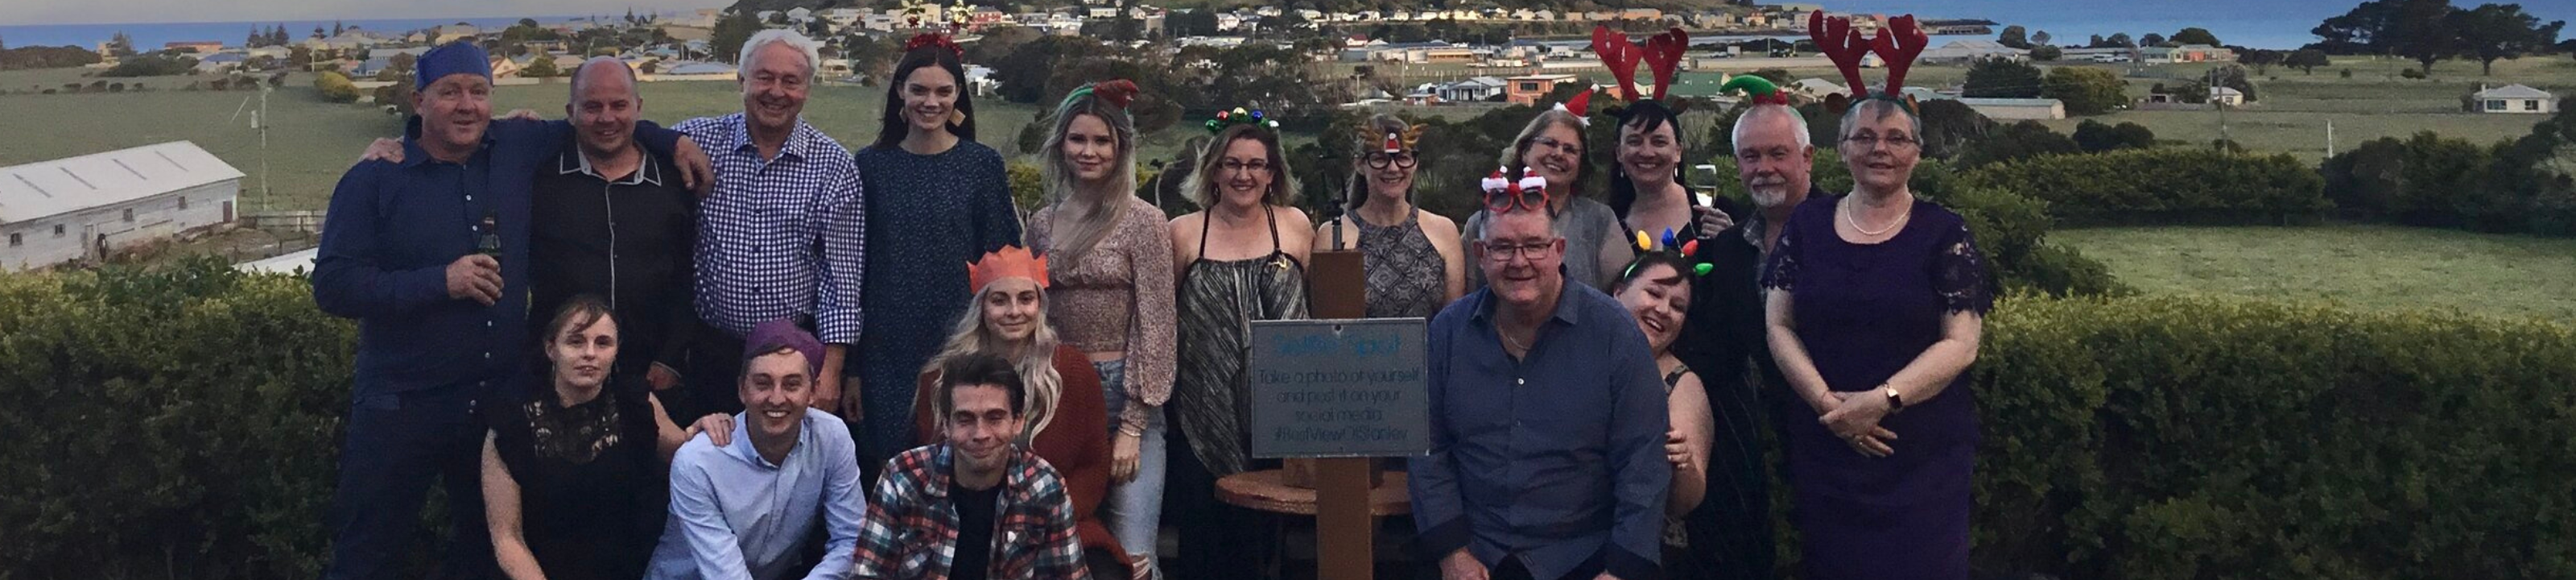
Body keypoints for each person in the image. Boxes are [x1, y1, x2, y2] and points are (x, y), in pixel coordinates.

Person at [312, 40, 708, 580]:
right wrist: (440, 282)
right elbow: (333, 286)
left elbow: (600, 119)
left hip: (492, 401)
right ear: (418, 101)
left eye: (478, 92)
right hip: (401, 404)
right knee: (369, 551)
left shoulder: (516, 146)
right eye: (449, 93)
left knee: (488, 549)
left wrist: (673, 140)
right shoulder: (375, 178)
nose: (466, 105)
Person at [1764, 14, 1992, 576]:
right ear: (1841, 149)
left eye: (1896, 138)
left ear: (1917, 152)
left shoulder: (1944, 232)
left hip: (1921, 458)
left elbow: (1961, 343)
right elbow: (1779, 324)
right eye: (1863, 137)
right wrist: (1829, 406)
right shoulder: (1807, 225)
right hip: (1827, 448)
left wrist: (1881, 401)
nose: (1879, 149)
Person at [1411, 188, 1668, 580]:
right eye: (1502, 248)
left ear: (1559, 250)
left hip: (1585, 555)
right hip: (1476, 554)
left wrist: (1620, 569)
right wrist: (1451, 552)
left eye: (1534, 245)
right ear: (1480, 254)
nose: (1519, 262)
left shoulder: (1614, 333)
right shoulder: (1447, 333)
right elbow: (1427, 447)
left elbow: (1643, 461)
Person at [671, 29, 866, 425]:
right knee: (715, 450)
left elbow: (841, 278)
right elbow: (624, 132)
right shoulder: (698, 141)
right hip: (713, 352)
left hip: (796, 356)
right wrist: (666, 141)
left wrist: (830, 370)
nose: (776, 92)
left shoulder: (834, 166)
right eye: (764, 77)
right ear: (741, 80)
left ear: (807, 90)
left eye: (791, 81)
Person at [1022, 79, 1174, 580]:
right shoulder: (1042, 224)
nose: (1089, 151)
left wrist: (1133, 424)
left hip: (1123, 392)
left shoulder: (1144, 221)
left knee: (1133, 554)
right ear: (1061, 145)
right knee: (1058, 544)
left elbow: (1157, 323)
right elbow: (1033, 313)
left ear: (1120, 148)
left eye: (1101, 141)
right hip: (1057, 392)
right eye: (1078, 139)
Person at [850, 33, 1022, 470]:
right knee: (889, 462)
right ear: (900, 92)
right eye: (920, 90)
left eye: (943, 91)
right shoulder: (870, 166)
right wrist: (851, 367)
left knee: (960, 457)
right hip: (884, 347)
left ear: (958, 94)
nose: (931, 102)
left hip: (960, 342)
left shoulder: (982, 165)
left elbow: (1002, 262)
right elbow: (853, 268)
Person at [904, 246, 1128, 578]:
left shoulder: (1074, 371)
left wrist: (1048, 515)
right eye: (999, 301)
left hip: (1058, 519)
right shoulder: (941, 379)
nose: (1014, 311)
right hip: (966, 520)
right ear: (981, 307)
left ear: (1040, 305)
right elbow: (934, 462)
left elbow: (1093, 464)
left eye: (1026, 299)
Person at [1671, 80, 1818, 580]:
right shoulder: (1733, 249)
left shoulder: (1844, 227)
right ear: (1737, 165)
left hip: (1859, 428)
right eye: (1751, 157)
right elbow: (1717, 351)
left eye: (1778, 154)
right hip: (1783, 444)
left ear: (1808, 158)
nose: (1764, 167)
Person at [482, 296, 733, 580]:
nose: (589, 353)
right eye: (576, 342)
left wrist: (707, 427)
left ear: (616, 350)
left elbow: (688, 457)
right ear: (551, 349)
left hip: (632, 568)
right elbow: (507, 538)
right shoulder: (512, 422)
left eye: (603, 343)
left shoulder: (636, 405)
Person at [1164, 110, 1311, 579]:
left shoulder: (1295, 226)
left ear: (1272, 174)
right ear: (1213, 171)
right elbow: (1167, 322)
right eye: (1232, 164)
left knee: (1273, 546)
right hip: (1203, 414)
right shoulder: (1184, 232)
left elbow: (1322, 311)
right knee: (1207, 544)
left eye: (1255, 165)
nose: (1243, 175)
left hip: (1284, 414)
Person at [525, 58, 702, 420]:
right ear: (570, 113)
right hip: (559, 378)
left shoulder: (674, 181)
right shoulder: (538, 179)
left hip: (652, 376)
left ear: (638, 108)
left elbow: (689, 275)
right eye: (592, 107)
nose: (607, 118)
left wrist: (671, 358)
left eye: (619, 105)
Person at [646, 319, 867, 580]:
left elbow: (852, 538)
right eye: (763, 383)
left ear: (813, 392)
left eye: (792, 384)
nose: (776, 398)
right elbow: (726, 575)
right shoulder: (699, 461)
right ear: (742, 389)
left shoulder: (831, 437)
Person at [856, 354, 1094, 580]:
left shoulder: (1045, 487)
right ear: (946, 425)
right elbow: (867, 573)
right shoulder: (903, 477)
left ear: (1018, 422)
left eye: (995, 418)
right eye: (965, 419)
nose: (980, 434)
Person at [1608, 251, 1715, 578]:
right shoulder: (1575, 352)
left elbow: (1686, 502)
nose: (1664, 309)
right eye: (1654, 293)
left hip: (1646, 549)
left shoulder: (1683, 384)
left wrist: (1684, 464)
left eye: (1678, 306)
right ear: (1618, 292)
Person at [1311, 114, 1464, 318]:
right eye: (1380, 159)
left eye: (1403, 158)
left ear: (1415, 163)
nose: (1393, 168)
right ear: (1360, 164)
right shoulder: (1334, 235)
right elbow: (1328, 324)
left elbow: (1453, 322)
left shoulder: (1444, 232)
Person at [1460, 106, 1629, 292]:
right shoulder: (1481, 223)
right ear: (1525, 151)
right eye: (1550, 143)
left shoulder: (1599, 220)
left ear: (1581, 165)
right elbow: (1468, 295)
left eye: (1570, 150)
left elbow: (1626, 289)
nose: (1559, 154)